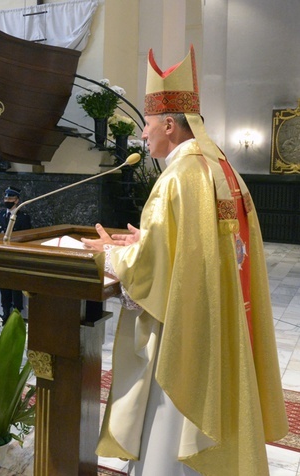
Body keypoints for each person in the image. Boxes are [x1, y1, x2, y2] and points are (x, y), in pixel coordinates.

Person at [82, 46, 287, 475]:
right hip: (218, 313)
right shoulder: (217, 165)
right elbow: (203, 245)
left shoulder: (178, 175)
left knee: (173, 422)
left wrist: (114, 254)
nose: (143, 135)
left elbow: (152, 266)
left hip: (188, 328)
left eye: (148, 125)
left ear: (170, 125)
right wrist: (153, 238)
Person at [0, 186, 31, 323]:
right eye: (5, 198)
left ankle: (16, 312)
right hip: (3, 256)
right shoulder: (0, 216)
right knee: (3, 285)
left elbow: (26, 237)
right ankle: (5, 312)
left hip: (16, 256)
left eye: (10, 198)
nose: (7, 200)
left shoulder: (23, 217)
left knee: (16, 286)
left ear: (17, 200)